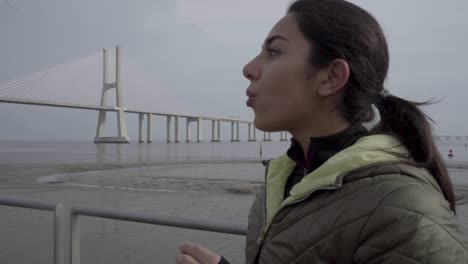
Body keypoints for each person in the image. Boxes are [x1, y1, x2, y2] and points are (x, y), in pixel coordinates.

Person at [176, 0, 468, 263]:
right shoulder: (286, 180)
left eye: (273, 51)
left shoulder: (403, 212)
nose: (249, 68)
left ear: (331, 77)